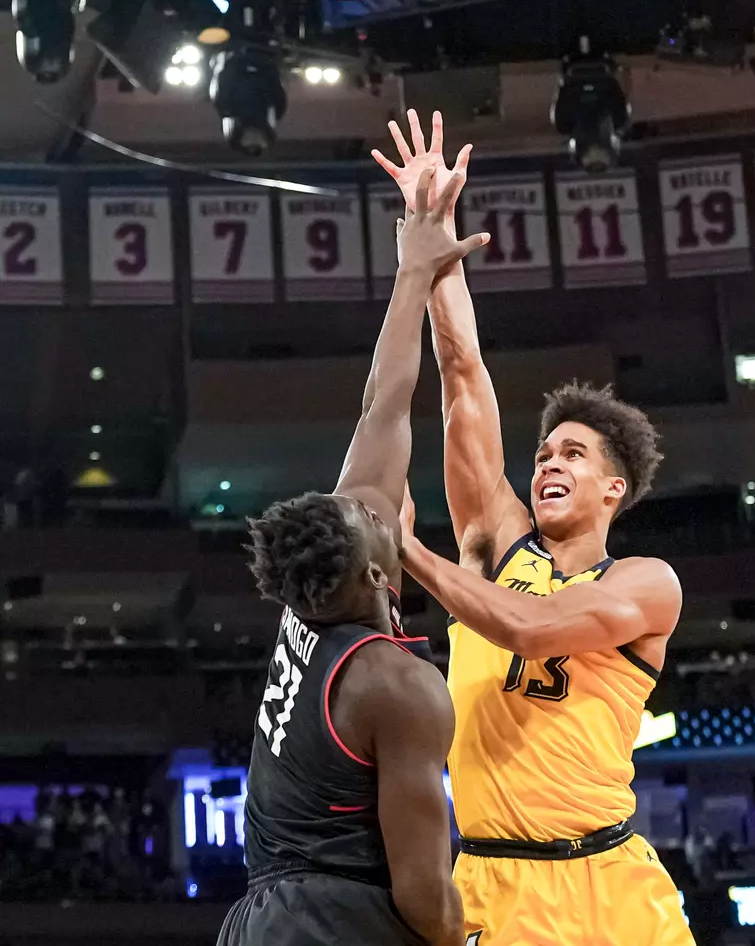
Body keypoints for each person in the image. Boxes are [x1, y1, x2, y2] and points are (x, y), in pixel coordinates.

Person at [374, 111, 695, 946]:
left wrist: (404, 548)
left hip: (615, 880)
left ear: (613, 488)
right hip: (495, 883)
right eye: (544, 451)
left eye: (574, 455)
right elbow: (461, 375)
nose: (548, 463)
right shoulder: (493, 545)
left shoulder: (644, 584)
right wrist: (431, 237)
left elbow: (531, 628)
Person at [217, 170, 487, 946]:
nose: (375, 502)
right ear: (377, 572)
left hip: (261, 916)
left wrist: (414, 267)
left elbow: (384, 403)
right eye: (375, 520)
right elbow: (424, 895)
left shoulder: (313, 595)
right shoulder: (398, 685)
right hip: (334, 923)